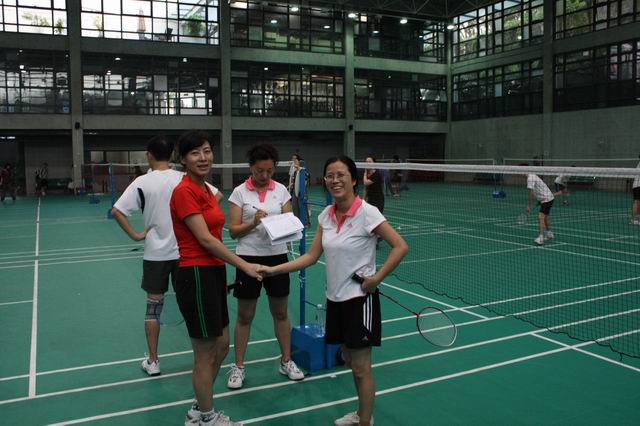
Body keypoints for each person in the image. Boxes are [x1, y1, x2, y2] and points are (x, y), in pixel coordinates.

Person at [258, 155, 408, 426]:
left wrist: (377, 278)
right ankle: (362, 412)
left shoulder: (367, 212)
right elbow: (311, 256)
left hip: (359, 300)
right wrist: (274, 270)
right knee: (349, 358)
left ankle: (365, 420)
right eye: (330, 175)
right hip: (335, 300)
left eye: (341, 175)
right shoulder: (326, 215)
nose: (335, 180)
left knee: (361, 368)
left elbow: (400, 246)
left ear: (353, 179)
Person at [170, 130, 261, 426]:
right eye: (195, 153)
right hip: (195, 273)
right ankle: (207, 418)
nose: (203, 157)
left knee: (221, 346)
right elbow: (206, 240)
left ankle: (199, 408)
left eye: (207, 151)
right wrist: (245, 265)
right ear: (183, 159)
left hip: (213, 272)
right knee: (204, 353)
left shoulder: (207, 190)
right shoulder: (184, 191)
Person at [226, 144, 304, 390]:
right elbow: (233, 231)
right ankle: (238, 366)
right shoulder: (239, 193)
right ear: (251, 168)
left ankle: (286, 360)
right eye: (260, 170)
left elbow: (290, 222)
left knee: (280, 313)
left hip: (277, 257)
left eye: (269, 171)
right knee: (245, 316)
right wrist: (253, 222)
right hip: (247, 258)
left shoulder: (281, 191)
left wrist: (286, 225)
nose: (265, 175)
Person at [111, 135, 184, 377]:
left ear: (149, 155)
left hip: (155, 255)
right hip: (185, 253)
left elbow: (117, 211)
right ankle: (202, 358)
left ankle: (153, 362)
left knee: (153, 309)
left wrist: (135, 235)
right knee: (192, 305)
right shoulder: (184, 178)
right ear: (171, 155)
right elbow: (215, 196)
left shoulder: (141, 182)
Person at [526, 171, 555, 245]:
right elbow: (539, 189)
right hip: (549, 198)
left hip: (546, 199)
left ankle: (541, 239)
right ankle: (549, 234)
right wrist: (539, 201)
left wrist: (529, 206)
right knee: (545, 217)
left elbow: (531, 193)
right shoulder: (533, 176)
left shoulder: (530, 178)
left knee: (540, 217)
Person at [631, 155, 640, 226]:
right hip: (638, 185)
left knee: (637, 202)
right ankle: (633, 220)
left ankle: (633, 220)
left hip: (635, 185)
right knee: (637, 202)